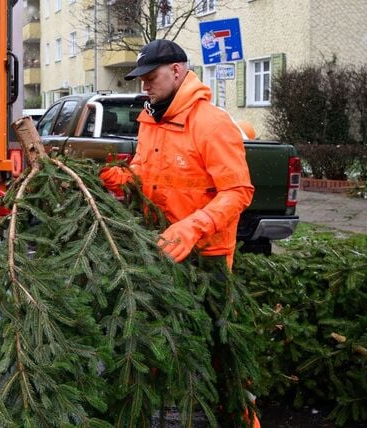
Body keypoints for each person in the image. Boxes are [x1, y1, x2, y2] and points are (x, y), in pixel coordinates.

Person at [99, 39, 258, 427]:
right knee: (161, 333)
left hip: (208, 255)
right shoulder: (151, 120)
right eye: (140, 79)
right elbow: (145, 176)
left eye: (151, 77)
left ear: (177, 70)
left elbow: (238, 192)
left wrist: (193, 227)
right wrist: (113, 178)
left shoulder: (210, 122)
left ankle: (242, 416)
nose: (144, 86)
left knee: (221, 343)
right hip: (159, 249)